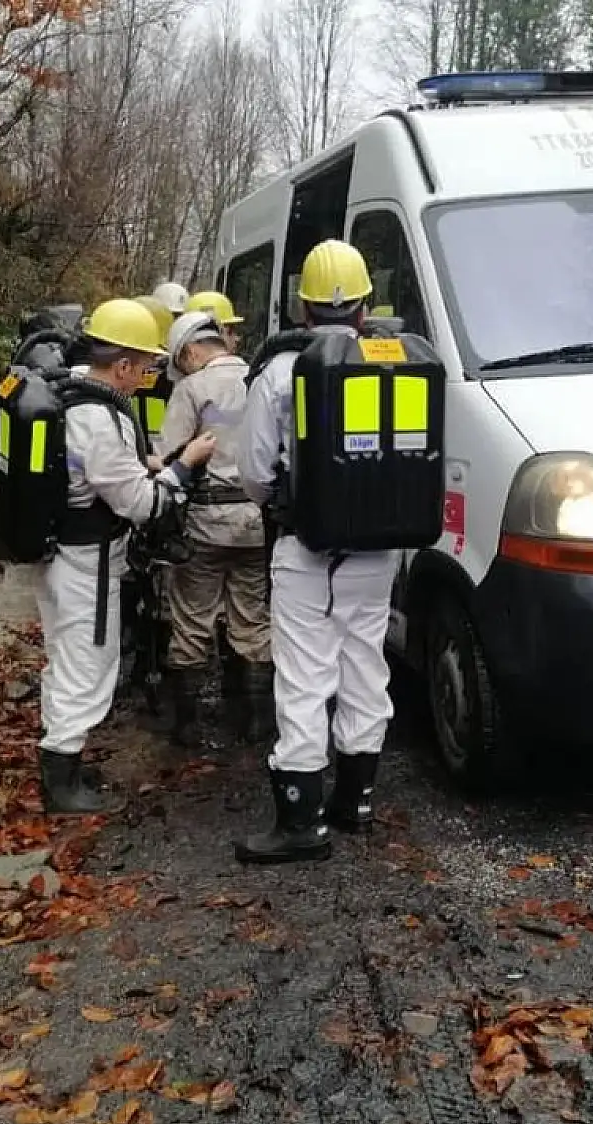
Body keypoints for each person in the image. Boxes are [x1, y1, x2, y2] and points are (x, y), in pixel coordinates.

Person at [237, 240, 391, 864]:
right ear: (365, 305)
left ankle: (301, 823)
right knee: (364, 666)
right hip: (378, 552)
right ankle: (355, 801)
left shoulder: (280, 370)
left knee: (304, 677)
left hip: (305, 551)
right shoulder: (392, 359)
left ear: (302, 307)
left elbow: (253, 472)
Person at [37, 298, 216, 815]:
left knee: (65, 656)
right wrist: (183, 467)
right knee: (87, 664)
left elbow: (104, 470)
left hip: (59, 551)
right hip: (86, 561)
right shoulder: (99, 418)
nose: (146, 377)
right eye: (144, 366)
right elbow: (141, 504)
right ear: (121, 365)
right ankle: (61, 784)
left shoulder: (69, 390)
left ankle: (64, 761)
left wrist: (148, 463)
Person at [157, 310, 270, 746]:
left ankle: (187, 727)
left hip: (206, 526)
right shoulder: (262, 379)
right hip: (258, 523)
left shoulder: (192, 388)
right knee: (252, 618)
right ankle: (255, 721)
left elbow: (170, 456)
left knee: (192, 620)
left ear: (189, 352)